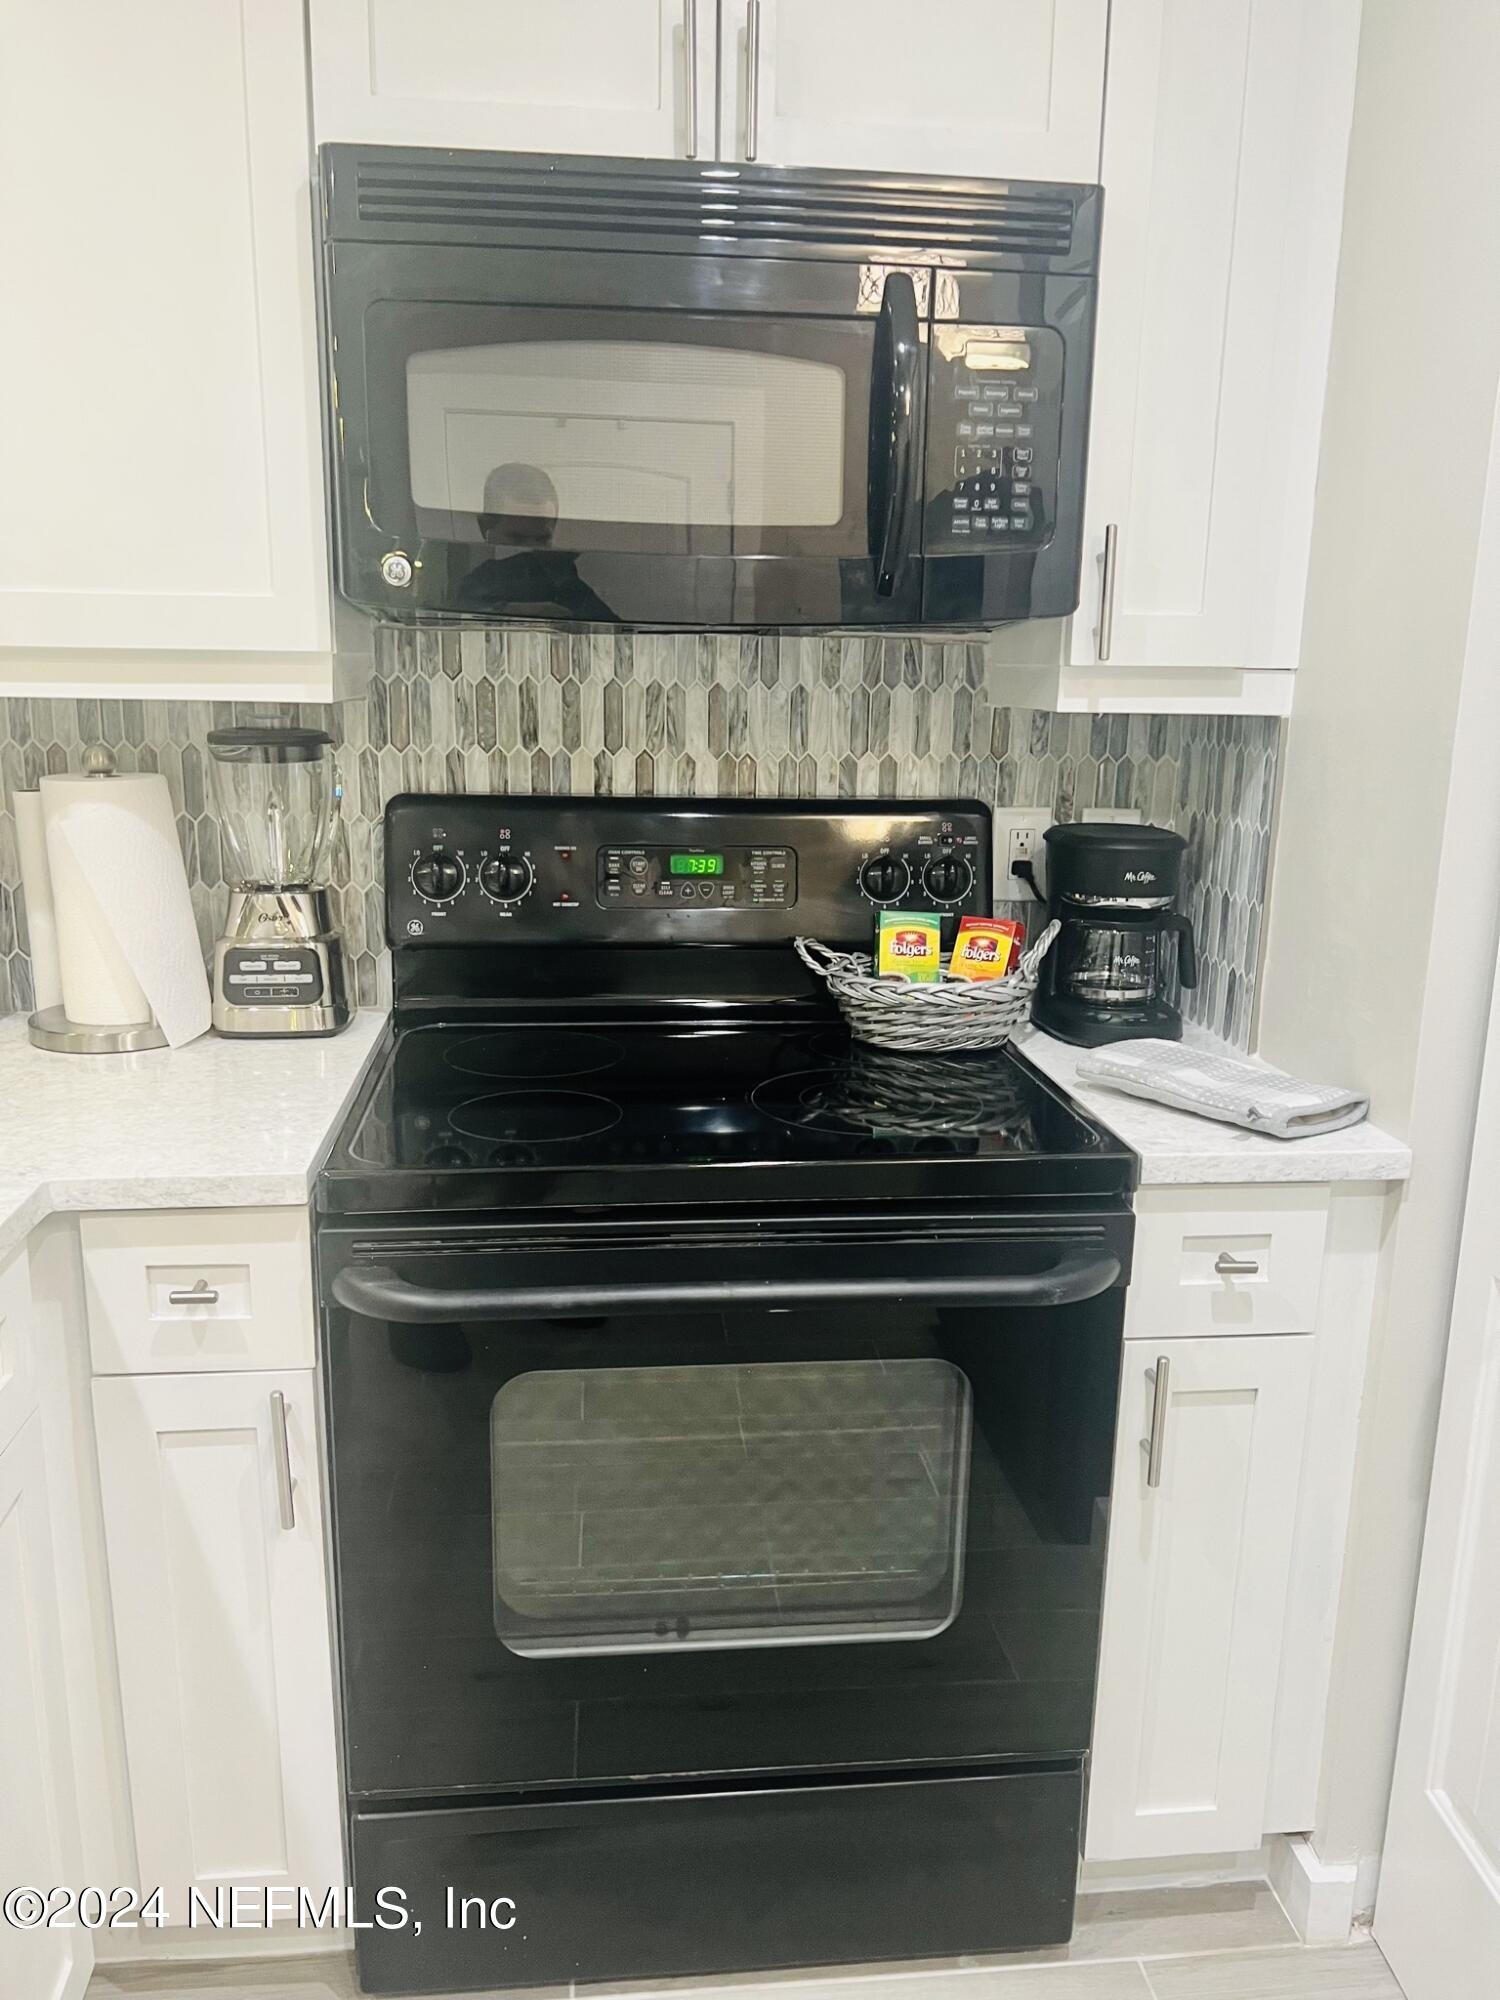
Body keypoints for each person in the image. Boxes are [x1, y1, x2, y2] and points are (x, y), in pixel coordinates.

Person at [453, 462, 617, 622]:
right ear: (485, 527)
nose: (530, 550)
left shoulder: (566, 584)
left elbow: (614, 632)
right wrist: (508, 612)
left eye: (541, 539)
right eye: (517, 539)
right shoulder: (475, 585)